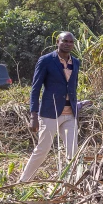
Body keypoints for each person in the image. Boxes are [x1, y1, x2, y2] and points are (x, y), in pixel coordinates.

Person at [21, 32, 81, 182]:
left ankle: (70, 183)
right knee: (43, 150)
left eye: (70, 42)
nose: (68, 44)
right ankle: (23, 181)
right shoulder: (46, 60)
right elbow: (35, 89)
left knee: (72, 151)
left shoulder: (76, 62)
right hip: (50, 113)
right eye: (64, 41)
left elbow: (72, 87)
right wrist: (33, 115)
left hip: (70, 114)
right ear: (57, 42)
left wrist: (78, 104)